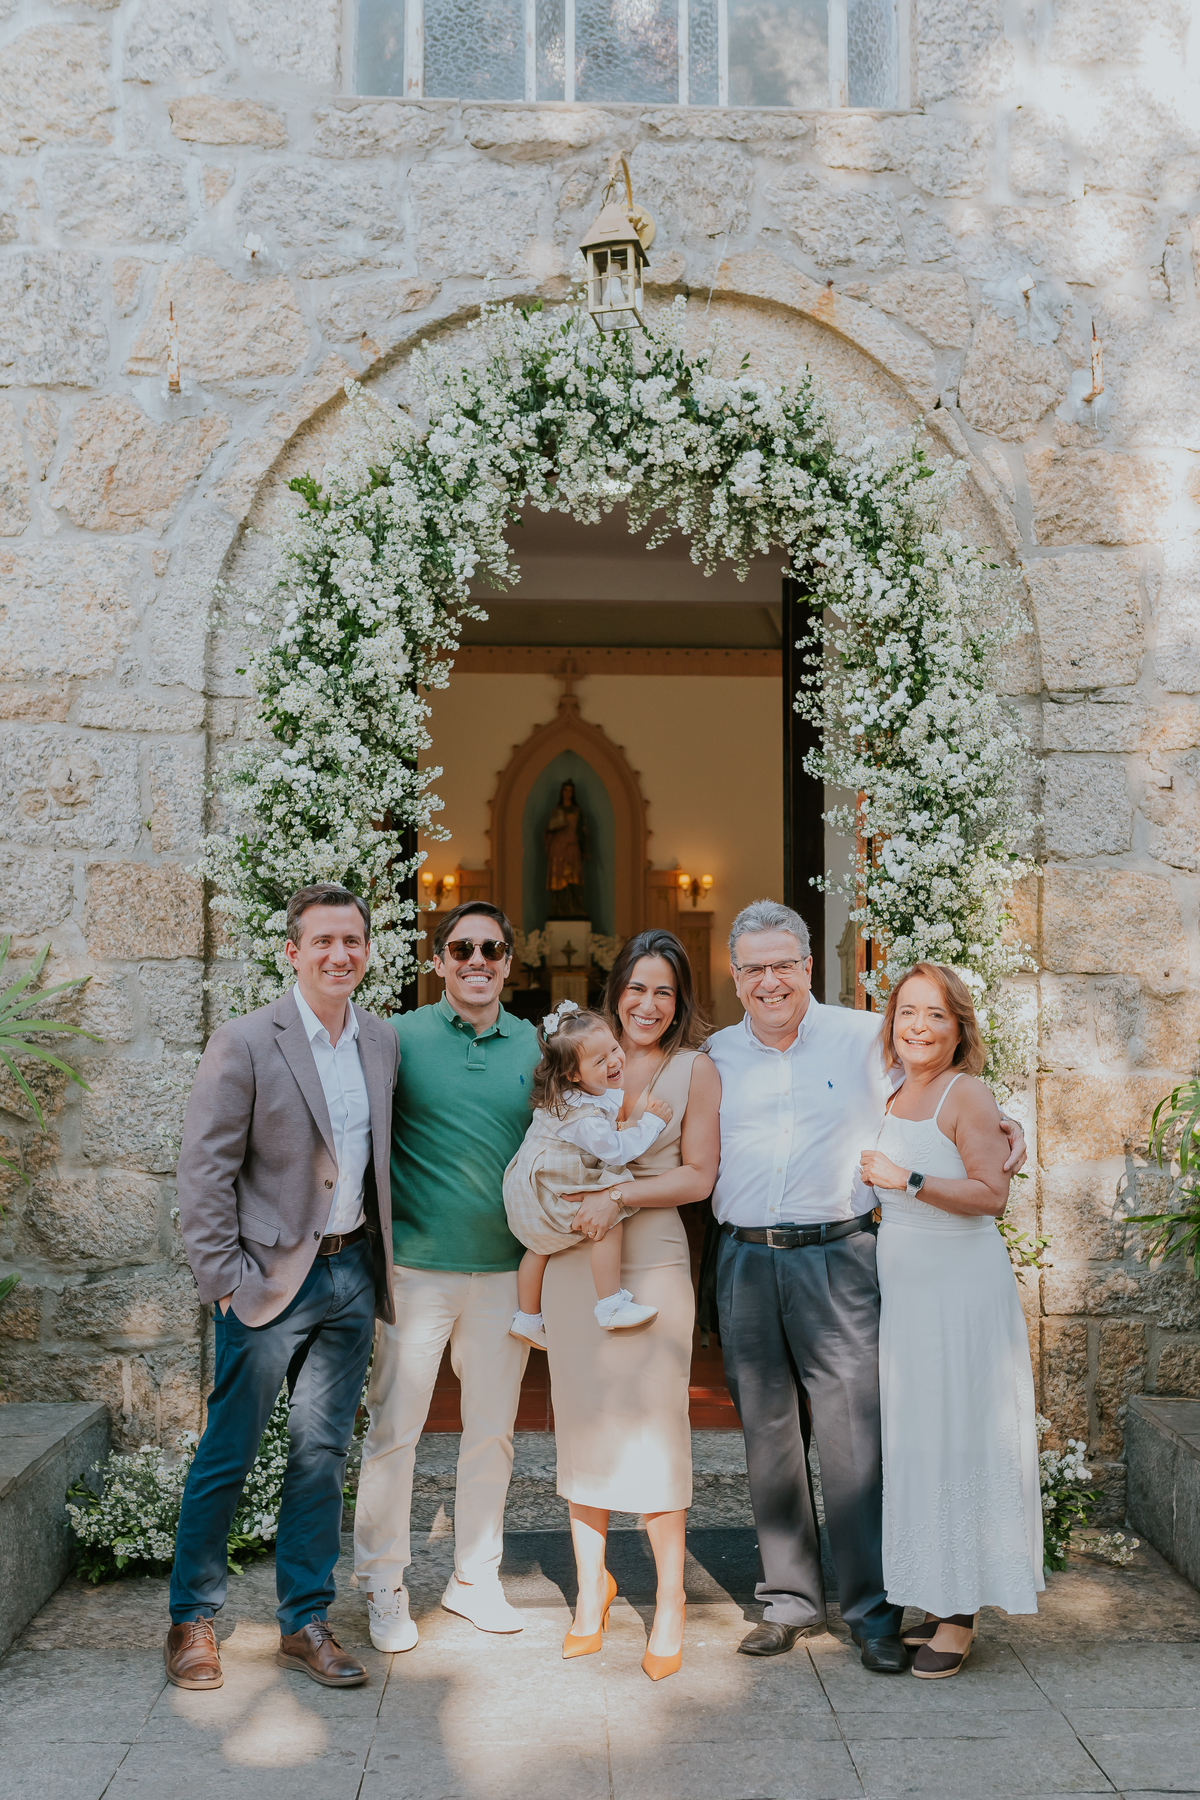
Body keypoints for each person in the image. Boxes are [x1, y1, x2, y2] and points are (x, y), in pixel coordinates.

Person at [707, 900, 1026, 1673]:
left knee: (855, 1439)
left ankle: (871, 1612)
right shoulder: (714, 1055)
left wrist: (1012, 1122)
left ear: (808, 967)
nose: (770, 981)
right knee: (768, 1438)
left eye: (784, 965)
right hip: (745, 1256)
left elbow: (943, 1084)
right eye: (754, 968)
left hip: (838, 1255)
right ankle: (788, 1601)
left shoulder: (863, 1038)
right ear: (735, 975)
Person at [166, 885, 399, 1693]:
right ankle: (192, 1619)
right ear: (292, 952)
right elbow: (204, 1170)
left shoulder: (379, 1040)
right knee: (228, 1452)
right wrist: (223, 1282)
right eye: (323, 940)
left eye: (353, 940)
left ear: (367, 950)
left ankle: (304, 1621)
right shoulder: (244, 1041)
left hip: (351, 1274)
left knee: (321, 1455)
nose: (340, 954)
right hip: (266, 1283)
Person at [353, 901, 539, 1653]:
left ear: (508, 962)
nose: (477, 961)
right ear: (437, 962)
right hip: (416, 1272)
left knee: (492, 1434)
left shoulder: (536, 1044)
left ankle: (475, 1578)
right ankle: (383, 1584)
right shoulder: (396, 1039)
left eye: (491, 949)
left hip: (505, 1273)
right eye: (462, 949)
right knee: (394, 1432)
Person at [540, 930, 721, 1681]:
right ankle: (592, 1591)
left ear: (680, 1002)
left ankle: (670, 1599)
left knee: (656, 1426)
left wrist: (617, 1193)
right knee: (581, 1421)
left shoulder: (693, 1069)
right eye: (637, 988)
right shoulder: (580, 1060)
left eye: (664, 992)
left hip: (652, 1260)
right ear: (616, 993)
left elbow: (699, 1177)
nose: (648, 1004)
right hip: (573, 1260)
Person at [860, 962, 1043, 1680]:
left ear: (959, 1027)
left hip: (959, 1290)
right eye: (908, 1011)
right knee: (923, 1442)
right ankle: (938, 1595)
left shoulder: (966, 1092)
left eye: (936, 1014)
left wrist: (905, 1179)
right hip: (908, 1293)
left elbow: (991, 1195)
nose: (919, 1026)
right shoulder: (891, 1088)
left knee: (961, 1438)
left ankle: (962, 1613)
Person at [504, 999, 670, 1345]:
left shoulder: (579, 1095)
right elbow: (617, 1150)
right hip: (550, 1184)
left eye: (614, 1049)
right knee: (610, 1216)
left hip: (532, 1182)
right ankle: (610, 1304)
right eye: (600, 1060)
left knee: (537, 1246)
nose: (614, 1060)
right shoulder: (583, 1118)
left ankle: (527, 1318)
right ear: (573, 1074)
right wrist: (652, 1123)